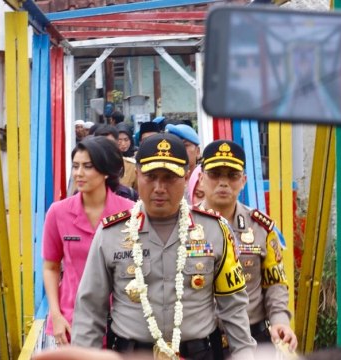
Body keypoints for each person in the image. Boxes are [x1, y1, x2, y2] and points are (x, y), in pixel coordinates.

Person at [71, 133, 256, 359]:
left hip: (199, 353)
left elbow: (233, 307)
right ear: (137, 175)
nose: (159, 187)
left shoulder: (215, 230)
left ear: (187, 177)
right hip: (132, 353)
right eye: (150, 176)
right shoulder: (111, 233)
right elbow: (90, 310)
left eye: (169, 177)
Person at [197, 140, 297, 352]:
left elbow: (275, 283)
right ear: (201, 178)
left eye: (232, 175)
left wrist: (280, 321)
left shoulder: (261, 227)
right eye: (215, 174)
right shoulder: (182, 226)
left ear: (243, 180)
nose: (223, 183)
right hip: (200, 344)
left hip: (253, 339)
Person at [42, 137, 134, 348]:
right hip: (73, 320)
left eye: (87, 166)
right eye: (75, 166)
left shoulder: (130, 212)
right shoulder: (58, 213)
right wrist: (55, 316)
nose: (78, 173)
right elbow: (51, 267)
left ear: (105, 171)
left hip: (124, 322)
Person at [115, 123, 138, 190]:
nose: (123, 144)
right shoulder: (111, 157)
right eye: (119, 140)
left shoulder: (136, 155)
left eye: (126, 140)